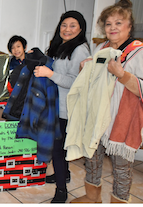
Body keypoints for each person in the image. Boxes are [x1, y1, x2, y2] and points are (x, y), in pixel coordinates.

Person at [71, 0, 143, 204]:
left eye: (119, 23)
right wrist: (86, 68)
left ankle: (119, 201)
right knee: (92, 158)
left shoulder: (141, 51)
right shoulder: (102, 47)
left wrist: (123, 75)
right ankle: (92, 196)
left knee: (121, 167)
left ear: (129, 26)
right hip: (97, 114)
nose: (113, 28)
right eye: (109, 24)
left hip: (123, 118)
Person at [33, 11, 90, 203]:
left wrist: (49, 74)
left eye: (73, 25)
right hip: (56, 106)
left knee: (58, 149)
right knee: (59, 148)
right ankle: (62, 175)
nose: (67, 29)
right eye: (64, 25)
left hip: (68, 109)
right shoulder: (62, 45)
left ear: (81, 28)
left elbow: (76, 82)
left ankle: (61, 191)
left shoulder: (80, 50)